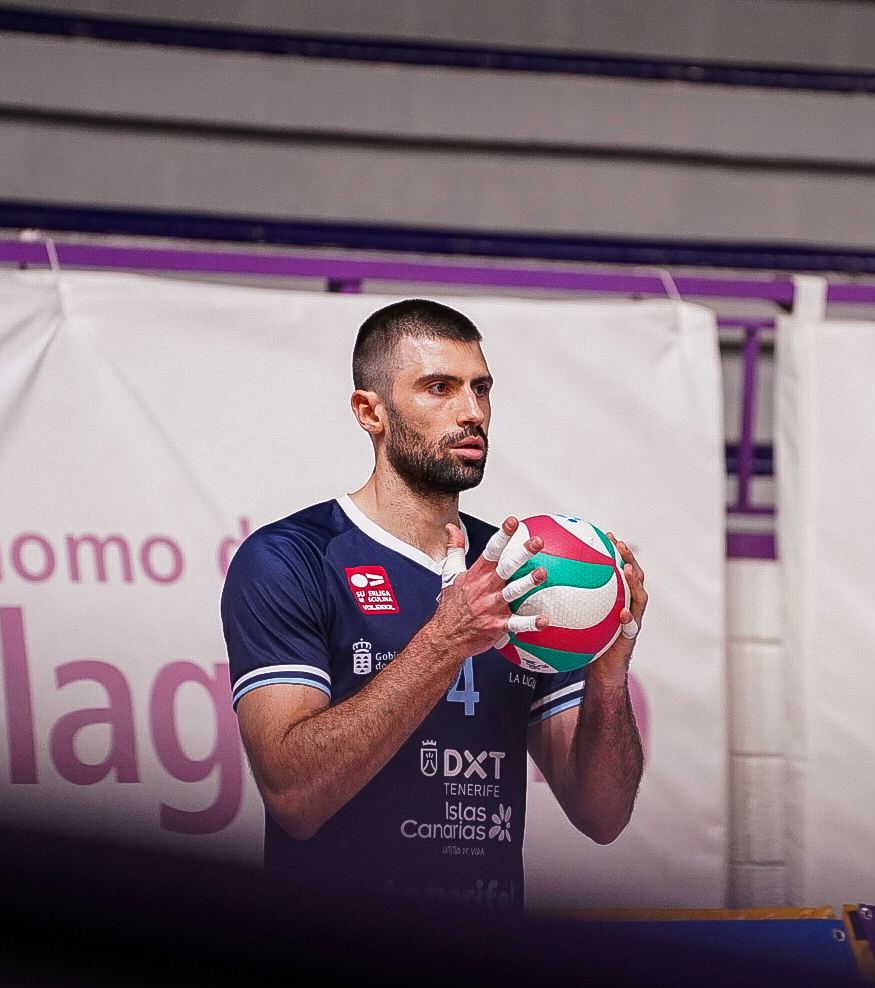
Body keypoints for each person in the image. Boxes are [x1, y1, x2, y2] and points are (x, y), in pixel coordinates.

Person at [220, 299, 646, 911]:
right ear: (370, 412)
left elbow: (603, 816)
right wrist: (447, 640)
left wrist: (607, 673)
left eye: (481, 389)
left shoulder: (517, 569)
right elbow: (294, 798)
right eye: (439, 388)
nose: (472, 412)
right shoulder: (292, 557)